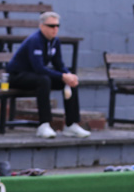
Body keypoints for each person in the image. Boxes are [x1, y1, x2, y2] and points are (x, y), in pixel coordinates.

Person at [6, 11, 90, 139]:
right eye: (51, 26)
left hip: (35, 76)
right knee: (44, 80)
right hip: (17, 77)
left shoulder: (55, 41)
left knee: (70, 81)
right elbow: (39, 68)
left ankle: (71, 124)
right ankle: (44, 125)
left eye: (57, 26)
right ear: (42, 26)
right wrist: (62, 76)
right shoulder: (35, 40)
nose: (55, 29)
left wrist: (68, 75)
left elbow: (59, 64)